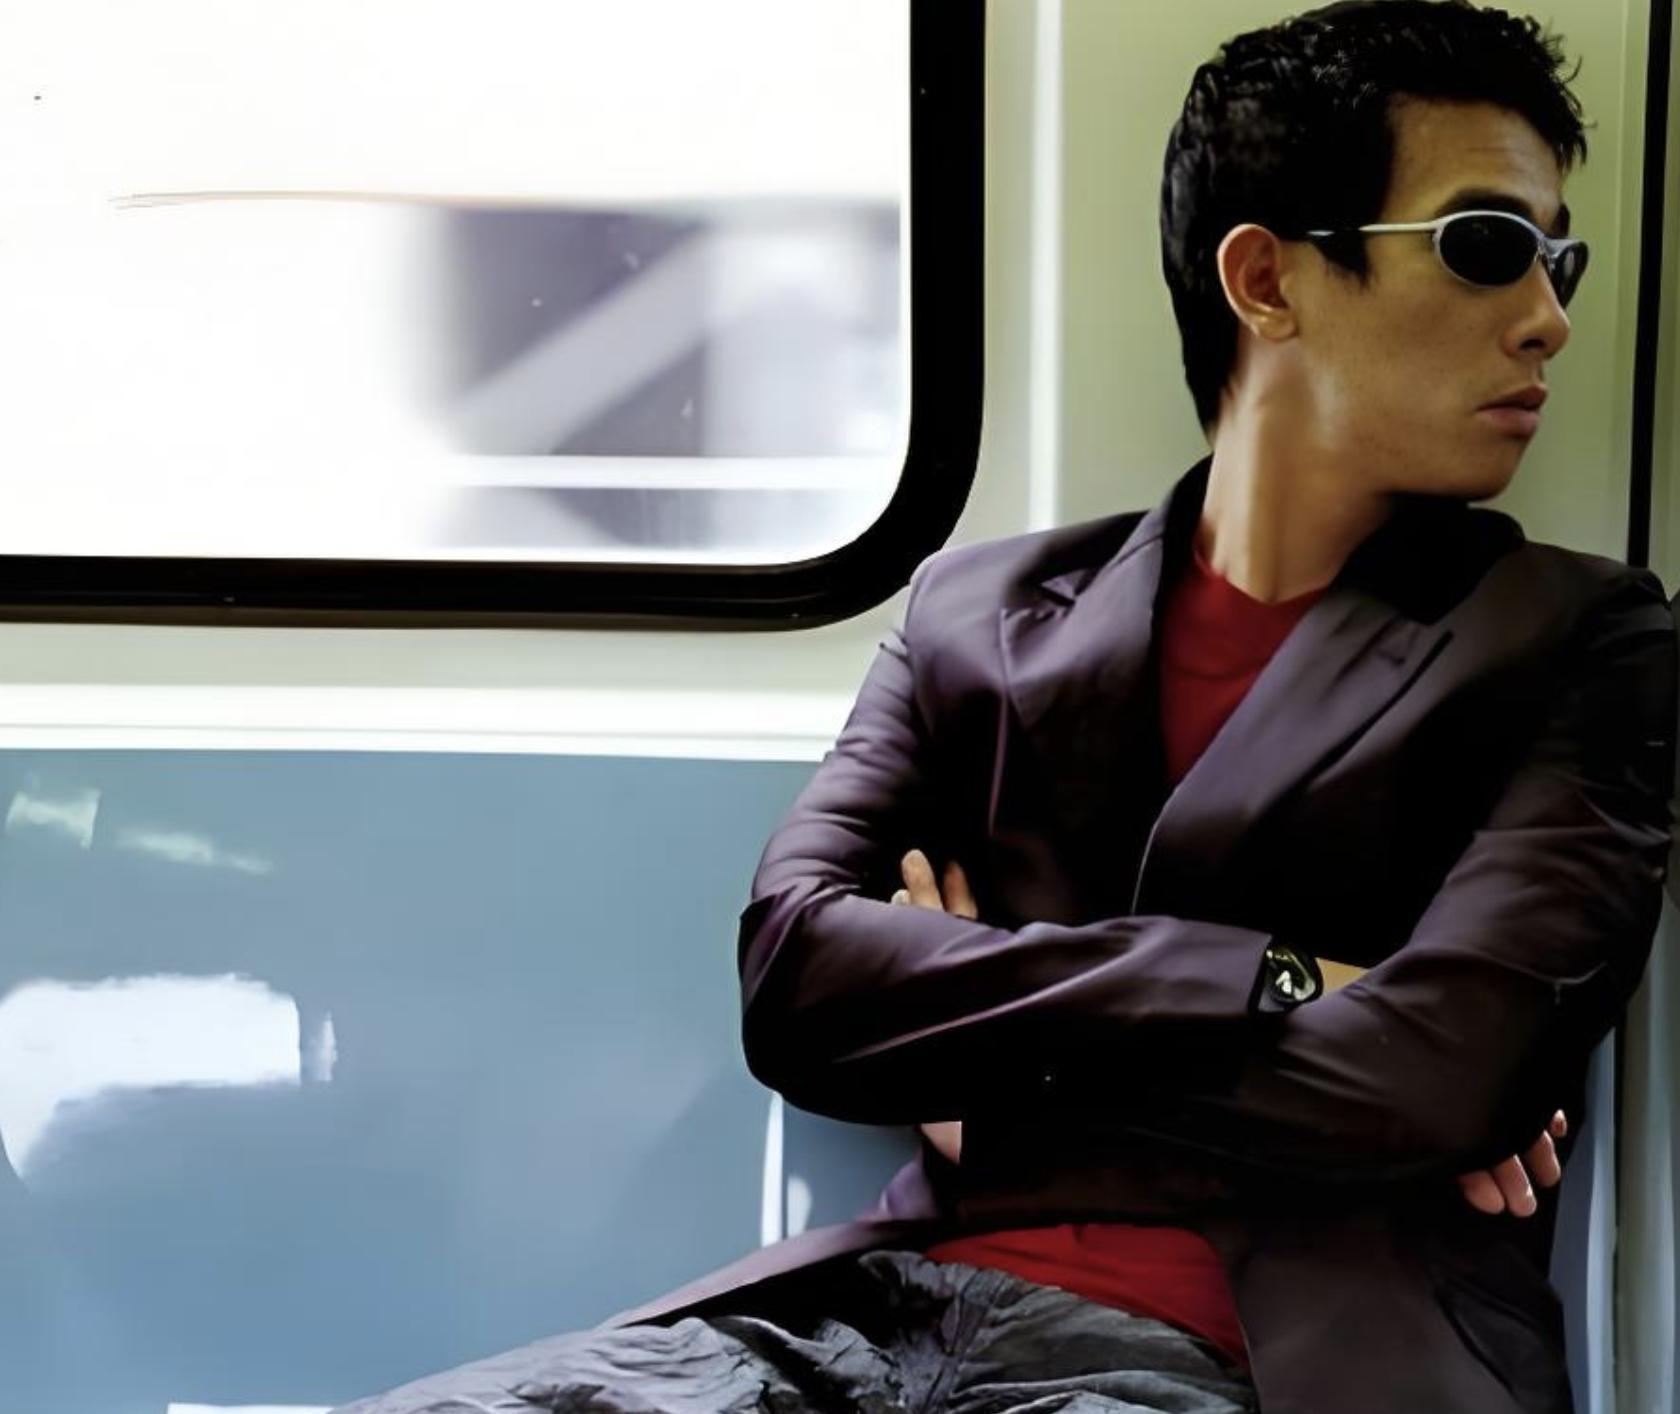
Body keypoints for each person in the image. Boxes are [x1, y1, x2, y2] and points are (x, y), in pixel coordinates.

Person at [332, 2, 1676, 1411]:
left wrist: (983, 1065)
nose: (1548, 317)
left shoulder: (1576, 639)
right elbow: (797, 980)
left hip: (1258, 1357)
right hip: (870, 1320)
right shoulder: (975, 610)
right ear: (1266, 279)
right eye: (1487, 246)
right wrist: (1275, 976)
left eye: (1558, 259)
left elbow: (1439, 1080)